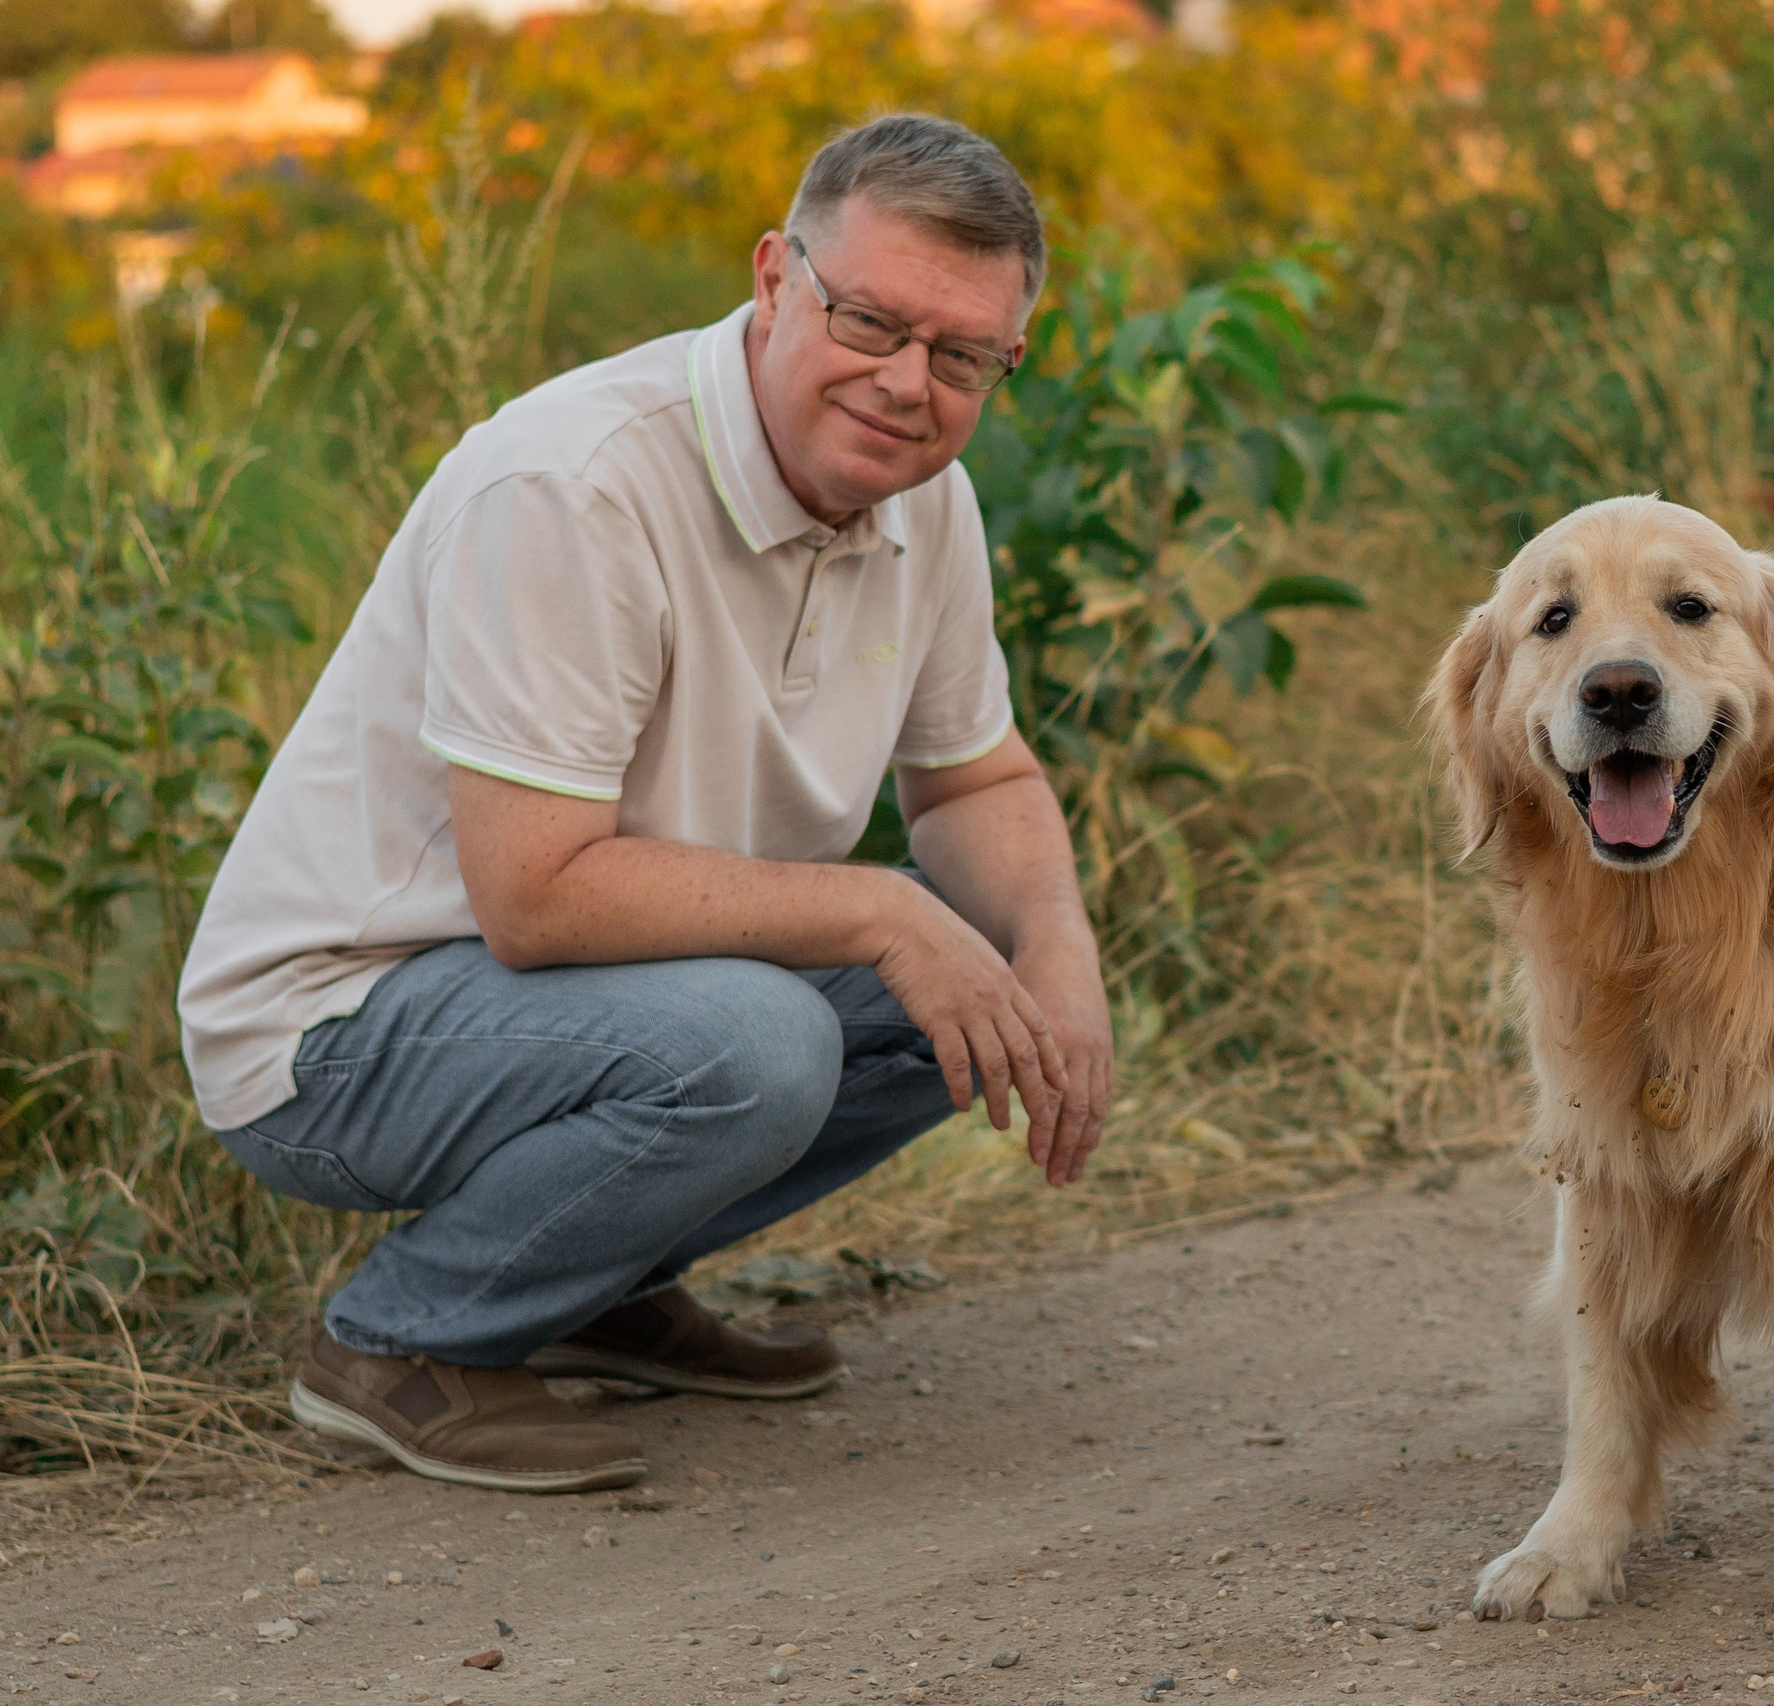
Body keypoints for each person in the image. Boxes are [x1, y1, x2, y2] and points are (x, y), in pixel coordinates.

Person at [176, 114, 1111, 1493]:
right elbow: (535, 897)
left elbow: (978, 777)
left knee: (988, 970)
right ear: (776, 279)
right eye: (869, 321)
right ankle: (399, 1346)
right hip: (336, 1025)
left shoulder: (931, 503)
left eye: (963, 355)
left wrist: (1057, 949)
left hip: (596, 994)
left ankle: (591, 1288)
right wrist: (880, 913)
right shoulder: (575, 482)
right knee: (771, 1037)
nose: (908, 382)